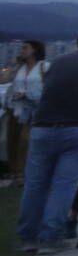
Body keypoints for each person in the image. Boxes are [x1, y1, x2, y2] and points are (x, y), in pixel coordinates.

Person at [15, 23, 78, 251]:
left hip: (43, 126)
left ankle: (27, 236)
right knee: (64, 184)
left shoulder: (59, 62)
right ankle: (50, 236)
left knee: (35, 183)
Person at [5, 40, 46, 185]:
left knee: (25, 141)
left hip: (33, 111)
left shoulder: (44, 67)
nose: (22, 50)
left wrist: (27, 94)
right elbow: (8, 81)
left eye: (25, 48)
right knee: (13, 142)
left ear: (34, 50)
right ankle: (14, 172)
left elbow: (47, 90)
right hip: (16, 109)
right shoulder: (20, 68)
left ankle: (23, 174)